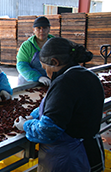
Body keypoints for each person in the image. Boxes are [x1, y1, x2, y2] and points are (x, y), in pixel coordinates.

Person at [14, 37, 105, 172]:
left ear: (54, 62)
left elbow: (47, 131)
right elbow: (61, 107)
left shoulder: (64, 84)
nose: (47, 74)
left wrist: (26, 125)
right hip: (91, 149)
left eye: (46, 68)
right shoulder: (89, 76)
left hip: (70, 159)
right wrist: (34, 115)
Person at [16, 16, 54, 86]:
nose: (41, 31)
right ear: (33, 30)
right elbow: (22, 65)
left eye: (44, 28)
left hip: (49, 81)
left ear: (49, 29)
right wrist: (38, 77)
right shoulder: (27, 46)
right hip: (28, 81)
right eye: (38, 28)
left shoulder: (55, 43)